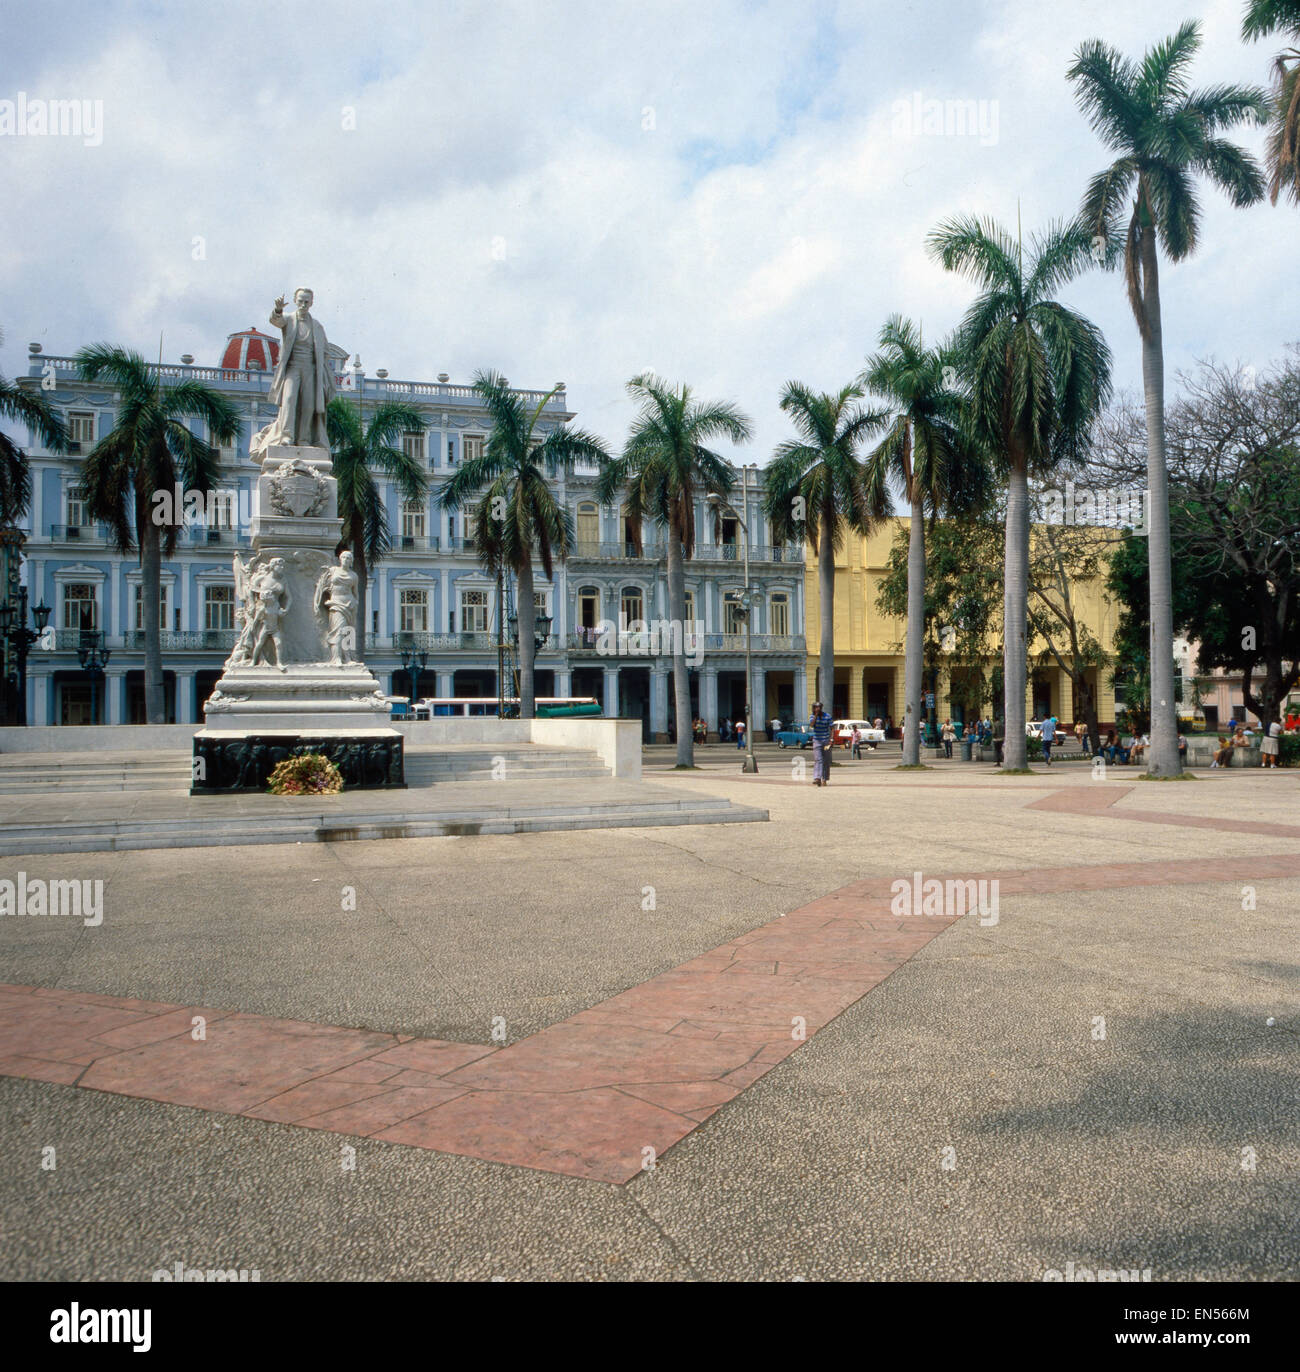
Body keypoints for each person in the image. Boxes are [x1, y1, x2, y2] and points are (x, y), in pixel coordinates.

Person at [810, 700, 833, 786]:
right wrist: (816, 715)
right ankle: (817, 778)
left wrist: (831, 739)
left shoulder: (827, 716)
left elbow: (832, 728)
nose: (817, 709)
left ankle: (825, 778)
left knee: (826, 760)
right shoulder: (812, 716)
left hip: (826, 741)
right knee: (818, 759)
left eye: (819, 707)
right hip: (817, 741)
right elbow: (811, 725)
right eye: (815, 707)